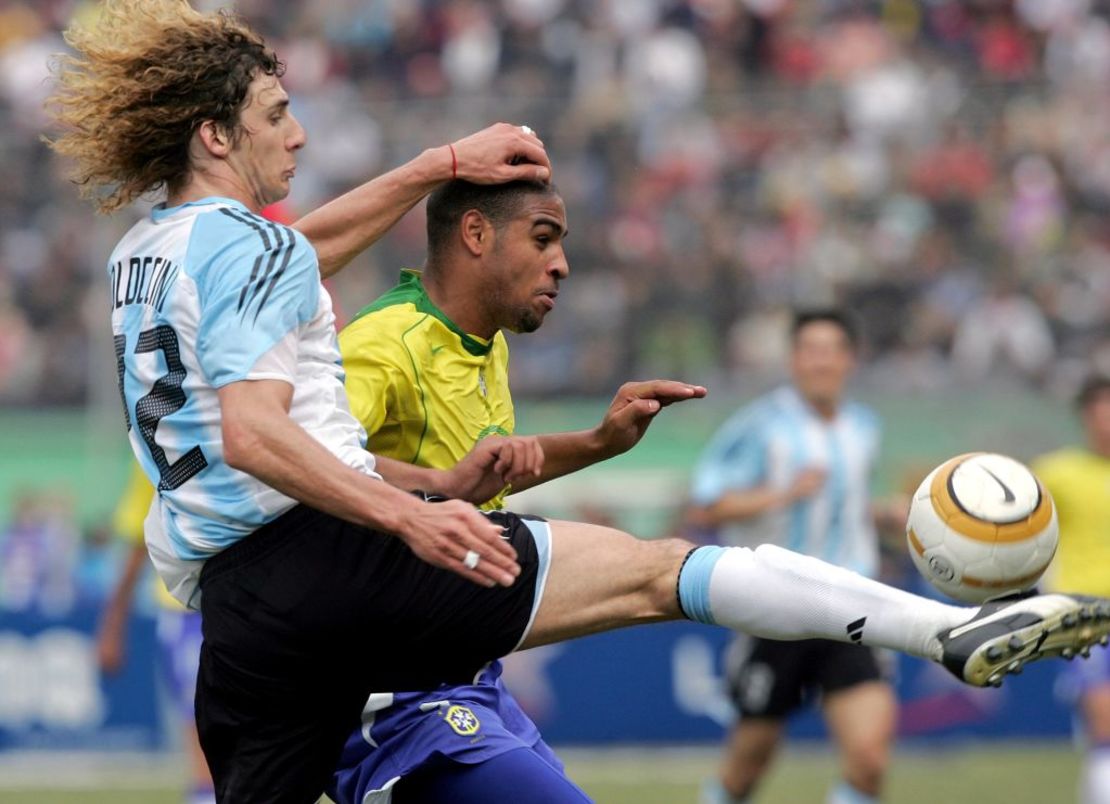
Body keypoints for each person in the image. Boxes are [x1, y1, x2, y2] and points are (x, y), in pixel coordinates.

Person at [46, 3, 1110, 801]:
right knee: (667, 573)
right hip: (341, 569)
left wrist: (436, 164)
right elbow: (254, 428)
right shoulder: (279, 266)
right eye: (277, 114)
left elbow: (293, 257)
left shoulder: (152, 253)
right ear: (212, 135)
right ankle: (948, 634)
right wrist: (412, 513)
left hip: (243, 618)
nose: (301, 134)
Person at [331, 178, 710, 802]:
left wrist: (598, 443)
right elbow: (310, 462)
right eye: (543, 239)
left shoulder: (485, 346)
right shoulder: (381, 343)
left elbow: (485, 476)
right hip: (393, 693)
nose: (561, 264)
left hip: (471, 673)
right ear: (476, 234)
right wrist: (436, 486)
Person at [687, 309, 898, 804]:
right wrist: (782, 493)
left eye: (830, 351)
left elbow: (848, 503)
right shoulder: (763, 425)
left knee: (869, 760)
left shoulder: (865, 426)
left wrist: (890, 513)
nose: (820, 362)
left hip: (852, 608)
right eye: (809, 351)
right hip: (776, 609)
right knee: (746, 768)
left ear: (849, 359)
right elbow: (708, 500)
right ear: (794, 359)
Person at [97, 462, 213, 804]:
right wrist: (113, 625)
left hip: (252, 608)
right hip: (190, 613)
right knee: (208, 757)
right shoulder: (161, 428)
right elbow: (138, 537)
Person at [1034, 375, 1110, 804]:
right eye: (1099, 412)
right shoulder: (1056, 473)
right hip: (1084, 616)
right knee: (1104, 723)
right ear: (1085, 418)